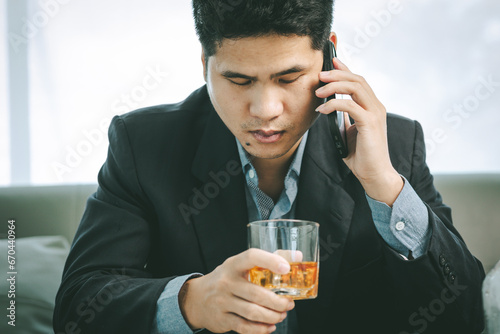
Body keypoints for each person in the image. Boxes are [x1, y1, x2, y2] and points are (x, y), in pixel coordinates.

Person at [53, 1, 485, 333]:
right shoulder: (144, 144)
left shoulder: (394, 143)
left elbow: (464, 317)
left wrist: (385, 186)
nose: (265, 110)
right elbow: (77, 307)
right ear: (204, 64)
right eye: (238, 80)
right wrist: (192, 301)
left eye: (289, 77)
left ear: (329, 59)